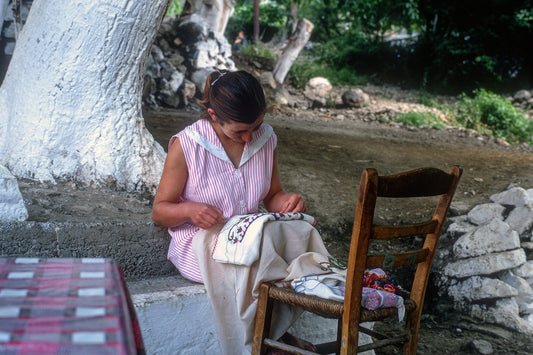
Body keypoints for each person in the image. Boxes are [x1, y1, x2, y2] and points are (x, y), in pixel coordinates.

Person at [152, 69, 329, 354]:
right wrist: (190, 209)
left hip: (247, 237)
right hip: (200, 243)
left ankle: (273, 337)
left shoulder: (266, 139)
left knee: (297, 235)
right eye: (239, 131)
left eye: (255, 126)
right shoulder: (188, 145)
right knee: (259, 263)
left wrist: (287, 201)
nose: (249, 138)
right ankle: (270, 343)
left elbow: (272, 195)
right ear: (213, 115)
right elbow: (159, 211)